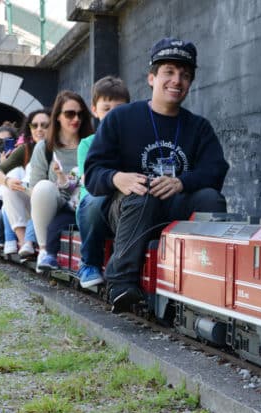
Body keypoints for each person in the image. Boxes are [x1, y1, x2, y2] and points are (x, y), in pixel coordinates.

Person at [85, 37, 229, 313]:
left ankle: (207, 277)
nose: (177, 80)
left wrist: (181, 182)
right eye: (169, 72)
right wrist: (118, 178)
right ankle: (121, 283)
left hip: (175, 207)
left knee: (211, 198)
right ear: (152, 78)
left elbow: (216, 170)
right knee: (142, 194)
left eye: (185, 75)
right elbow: (93, 172)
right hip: (129, 210)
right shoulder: (120, 118)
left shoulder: (199, 127)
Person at [76, 76, 130, 289]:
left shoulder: (133, 141)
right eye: (106, 109)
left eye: (119, 109)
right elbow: (88, 179)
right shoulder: (88, 143)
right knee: (95, 201)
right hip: (95, 201)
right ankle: (89, 263)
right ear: (94, 110)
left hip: (122, 202)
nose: (113, 115)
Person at [30, 91, 94, 271]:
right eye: (69, 114)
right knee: (43, 188)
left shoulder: (92, 143)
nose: (76, 119)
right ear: (57, 116)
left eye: (80, 114)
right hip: (56, 204)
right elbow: (34, 188)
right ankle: (44, 250)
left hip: (85, 203)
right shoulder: (45, 147)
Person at [0, 108, 51, 257]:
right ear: (29, 129)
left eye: (44, 125)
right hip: (31, 198)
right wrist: (7, 181)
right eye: (34, 126)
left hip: (54, 197)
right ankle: (24, 243)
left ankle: (23, 243)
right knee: (8, 185)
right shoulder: (25, 149)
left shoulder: (59, 147)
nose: (39, 130)